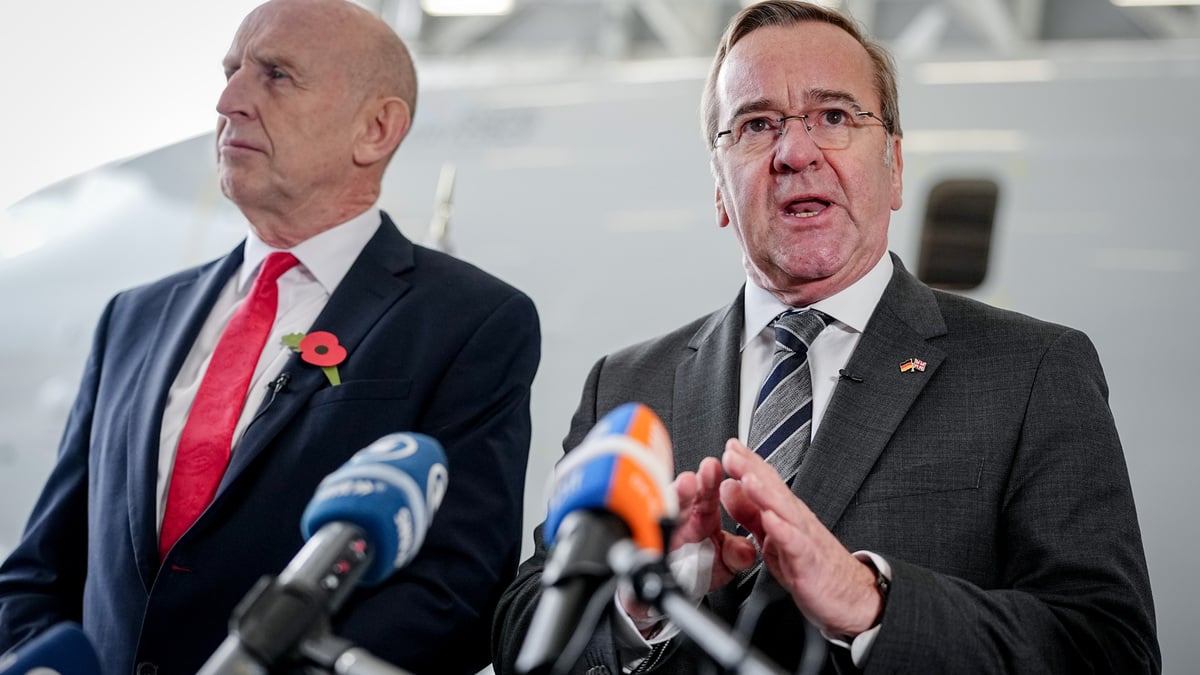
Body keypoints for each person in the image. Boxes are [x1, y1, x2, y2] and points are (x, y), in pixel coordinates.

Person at [493, 1, 1158, 673]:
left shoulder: (1033, 370)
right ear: (720, 189)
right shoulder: (628, 385)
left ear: (894, 166)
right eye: (757, 125)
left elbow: (1108, 647)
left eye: (834, 117)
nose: (795, 152)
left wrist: (870, 600)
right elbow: (522, 622)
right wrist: (641, 604)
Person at [0, 1, 540, 673]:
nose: (229, 101)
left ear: (375, 129)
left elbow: (457, 589)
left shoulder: (470, 322)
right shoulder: (130, 320)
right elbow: (38, 571)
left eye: (276, 74)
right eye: (230, 72)